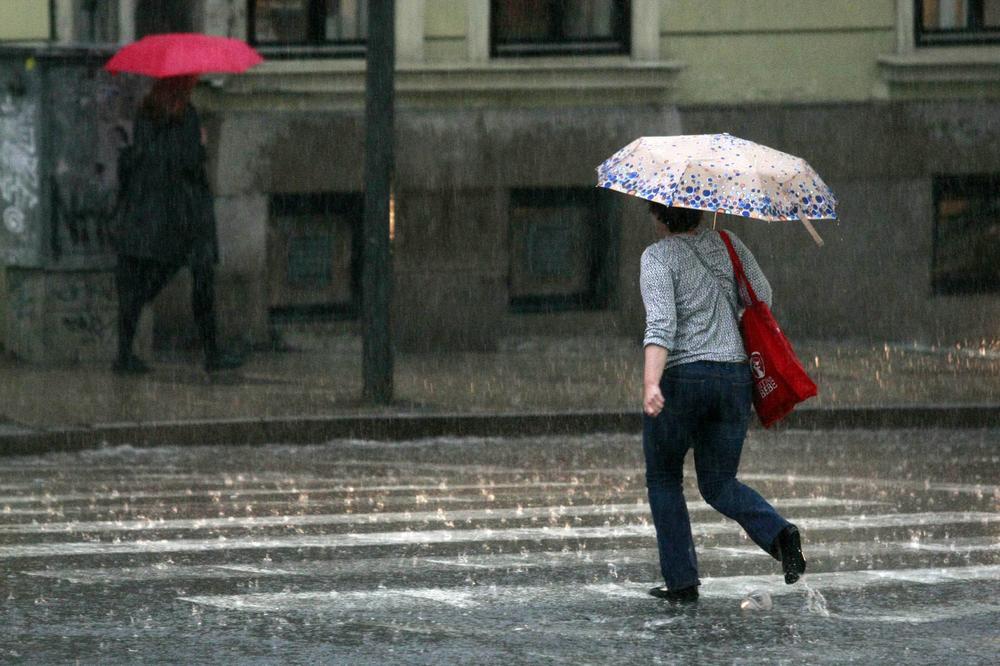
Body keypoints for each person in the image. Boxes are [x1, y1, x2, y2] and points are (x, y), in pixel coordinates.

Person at [639, 201, 806, 603]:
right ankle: (780, 534)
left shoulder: (657, 256)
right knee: (718, 482)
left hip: (684, 377)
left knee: (664, 478)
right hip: (734, 378)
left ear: (660, 216)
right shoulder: (728, 242)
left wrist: (650, 381)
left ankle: (681, 583)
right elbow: (761, 294)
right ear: (698, 211)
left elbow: (662, 323)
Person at [113, 75, 242, 374]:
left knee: (145, 283)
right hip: (185, 213)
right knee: (198, 281)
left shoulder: (148, 114)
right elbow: (186, 162)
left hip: (158, 213)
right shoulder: (185, 115)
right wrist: (201, 144)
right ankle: (211, 353)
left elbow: (150, 158)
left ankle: (124, 353)